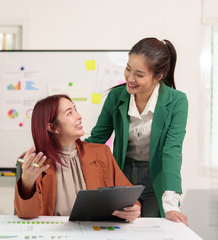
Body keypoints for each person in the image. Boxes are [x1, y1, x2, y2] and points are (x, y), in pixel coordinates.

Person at [85, 37, 188, 225]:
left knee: (152, 229)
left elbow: (172, 150)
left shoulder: (177, 101)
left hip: (155, 176)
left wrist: (171, 206)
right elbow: (97, 139)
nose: (130, 78)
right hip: (122, 175)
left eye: (139, 74)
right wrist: (59, 150)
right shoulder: (116, 97)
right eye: (128, 69)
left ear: (158, 76)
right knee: (120, 229)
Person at [14, 94, 140, 221]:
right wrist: (27, 180)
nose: (79, 116)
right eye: (69, 113)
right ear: (52, 127)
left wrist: (134, 208)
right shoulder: (35, 163)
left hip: (94, 232)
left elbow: (128, 194)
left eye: (75, 109)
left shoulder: (101, 153)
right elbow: (27, 214)